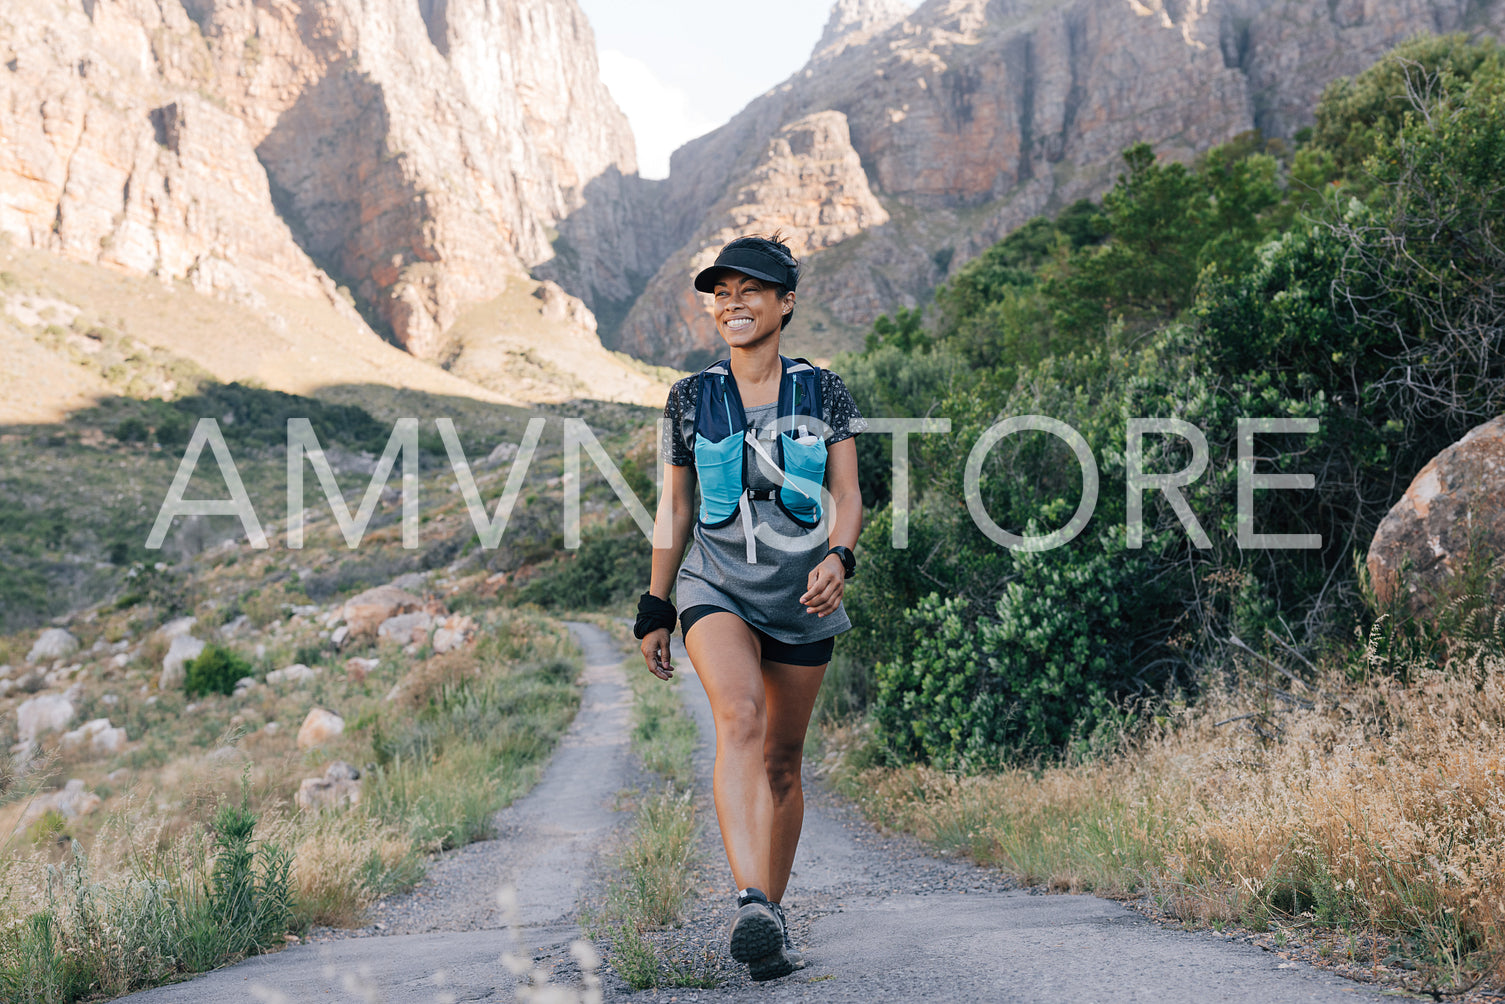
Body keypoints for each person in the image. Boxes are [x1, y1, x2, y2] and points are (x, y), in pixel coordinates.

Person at [634, 233, 866, 981]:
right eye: (720, 292)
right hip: (716, 584)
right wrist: (655, 602)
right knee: (738, 717)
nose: (731, 302)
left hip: (804, 593)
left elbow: (850, 493)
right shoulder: (688, 397)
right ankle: (749, 901)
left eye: (750, 290)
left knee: (784, 760)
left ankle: (772, 913)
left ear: (785, 302)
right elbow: (675, 507)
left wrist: (841, 556)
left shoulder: (823, 390)